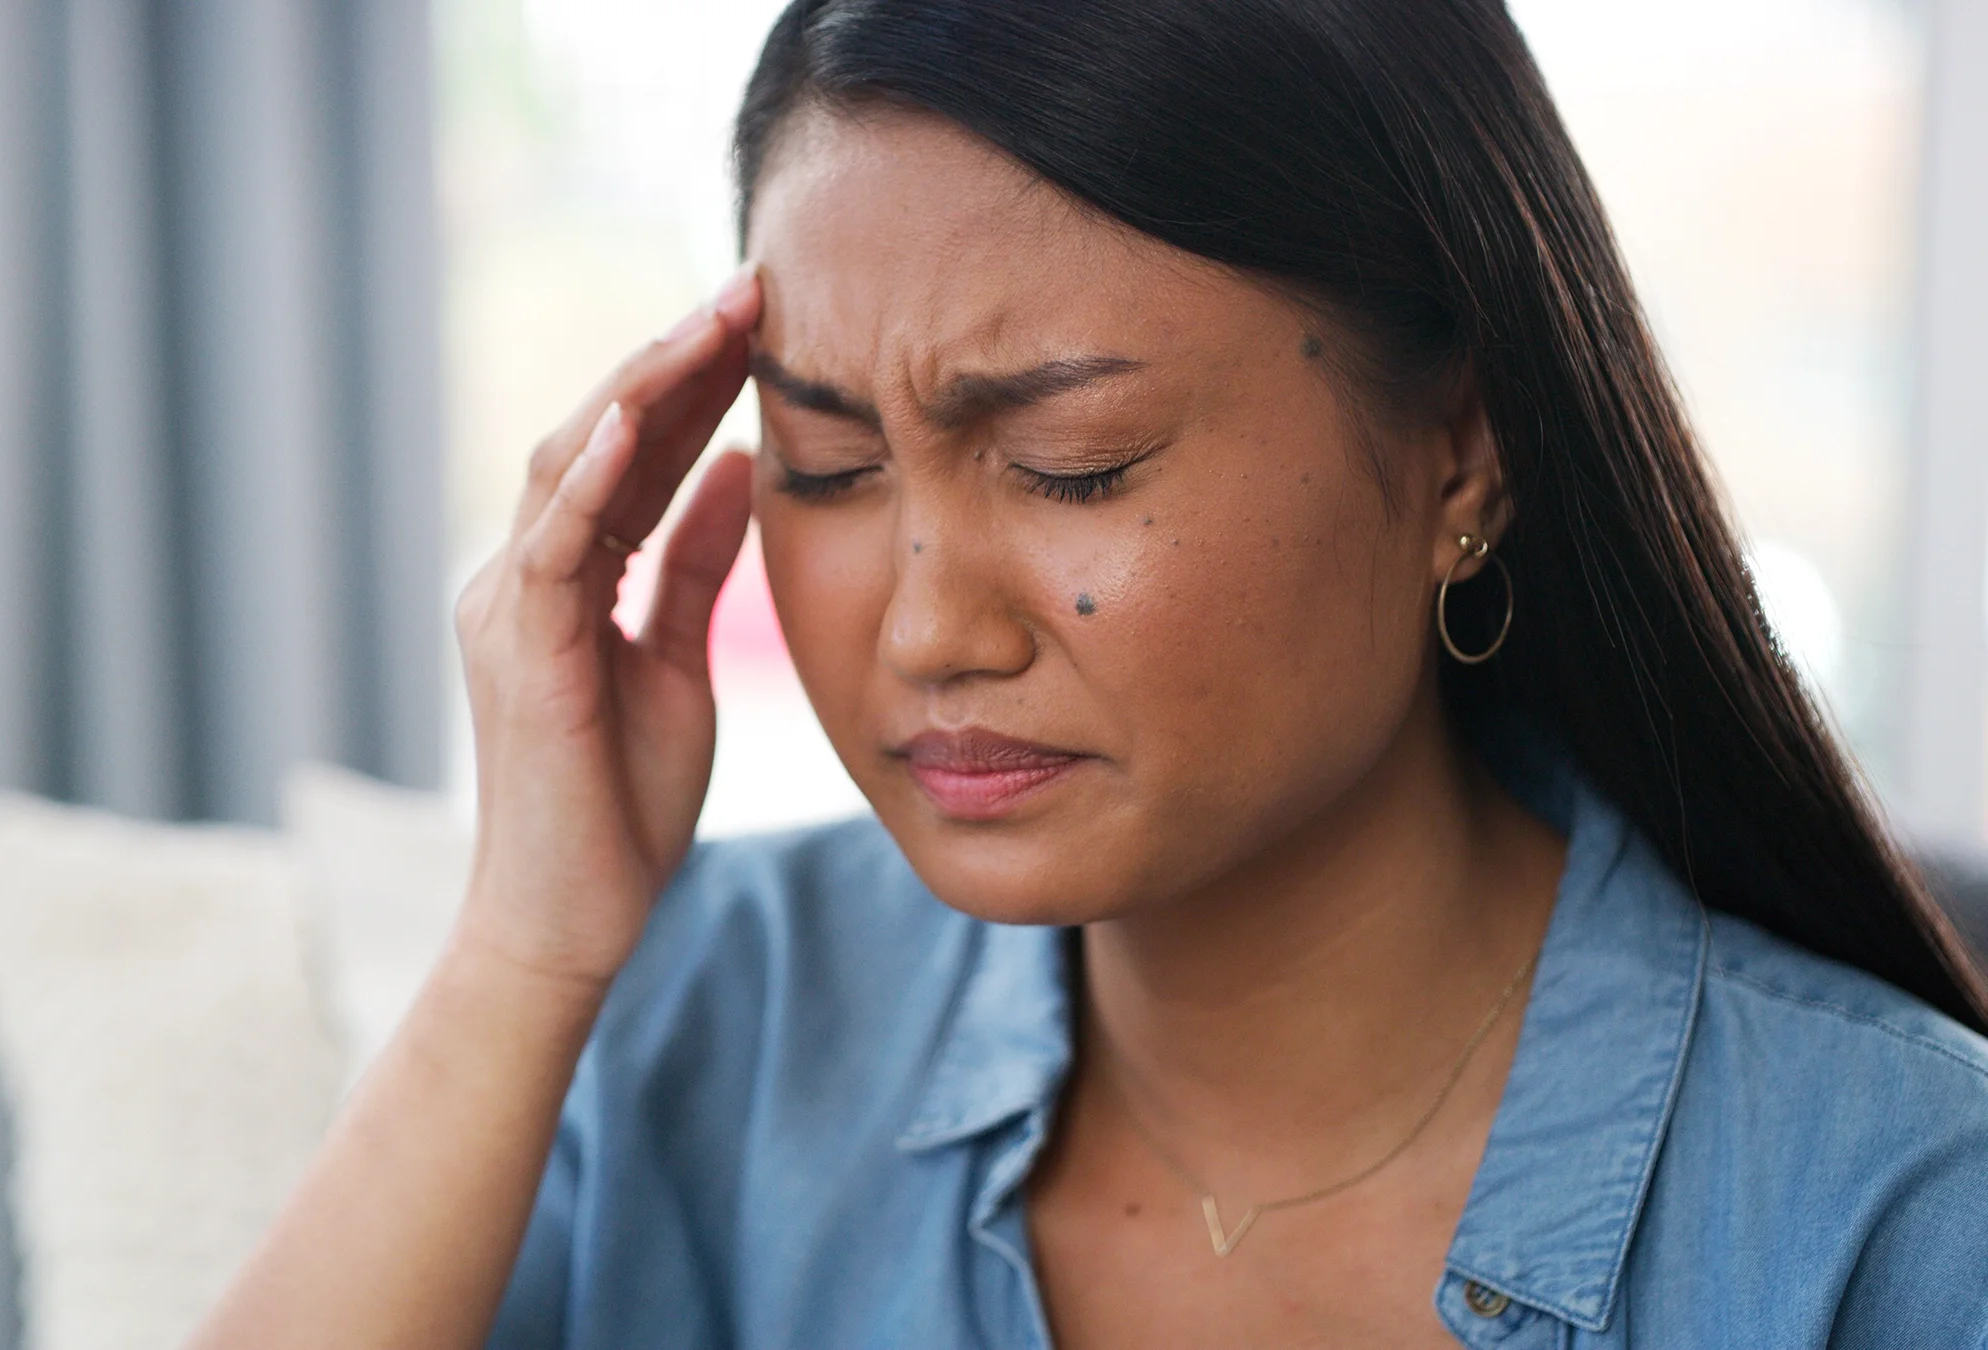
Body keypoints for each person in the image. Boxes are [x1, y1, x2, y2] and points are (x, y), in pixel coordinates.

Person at [192, 1, 1988, 1345]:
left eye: (1072, 465)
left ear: (1463, 446)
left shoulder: (1891, 1209)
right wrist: (526, 947)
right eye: (827, 464)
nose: (922, 630)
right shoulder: (707, 1030)